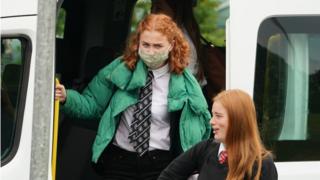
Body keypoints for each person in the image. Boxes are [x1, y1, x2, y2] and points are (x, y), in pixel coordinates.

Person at [55, 14, 211, 180]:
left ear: (172, 45)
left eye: (158, 46)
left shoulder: (186, 83)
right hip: (119, 162)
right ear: (138, 43)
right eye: (146, 45)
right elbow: (92, 104)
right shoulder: (119, 69)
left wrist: (192, 169)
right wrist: (67, 97)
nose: (151, 51)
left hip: (162, 165)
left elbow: (199, 131)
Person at [158, 89, 278, 180]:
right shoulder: (205, 149)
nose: (211, 121)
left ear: (238, 120)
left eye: (219, 116)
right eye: (213, 115)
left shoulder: (263, 164)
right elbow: (167, 177)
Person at [150, 0, 226, 110]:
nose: (153, 11)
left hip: (183, 102)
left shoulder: (180, 39)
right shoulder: (186, 32)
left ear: (174, 10)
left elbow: (182, 82)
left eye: (159, 8)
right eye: (153, 6)